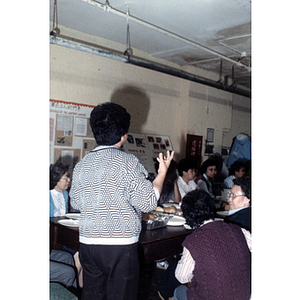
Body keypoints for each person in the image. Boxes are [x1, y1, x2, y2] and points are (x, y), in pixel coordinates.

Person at [70, 102, 174, 300]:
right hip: (119, 246)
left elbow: (76, 202)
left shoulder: (82, 165)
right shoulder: (128, 162)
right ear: (123, 135)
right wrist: (162, 173)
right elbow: (148, 202)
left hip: (88, 244)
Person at [174, 189, 251, 300]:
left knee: (178, 291)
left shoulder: (193, 241)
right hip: (244, 296)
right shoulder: (238, 229)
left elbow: (181, 277)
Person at [50, 162, 83, 288]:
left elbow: (66, 214)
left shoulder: (64, 194)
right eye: (65, 178)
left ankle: (77, 288)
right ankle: (73, 287)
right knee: (79, 254)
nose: (69, 180)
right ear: (56, 180)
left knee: (83, 253)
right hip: (54, 237)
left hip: (64, 232)